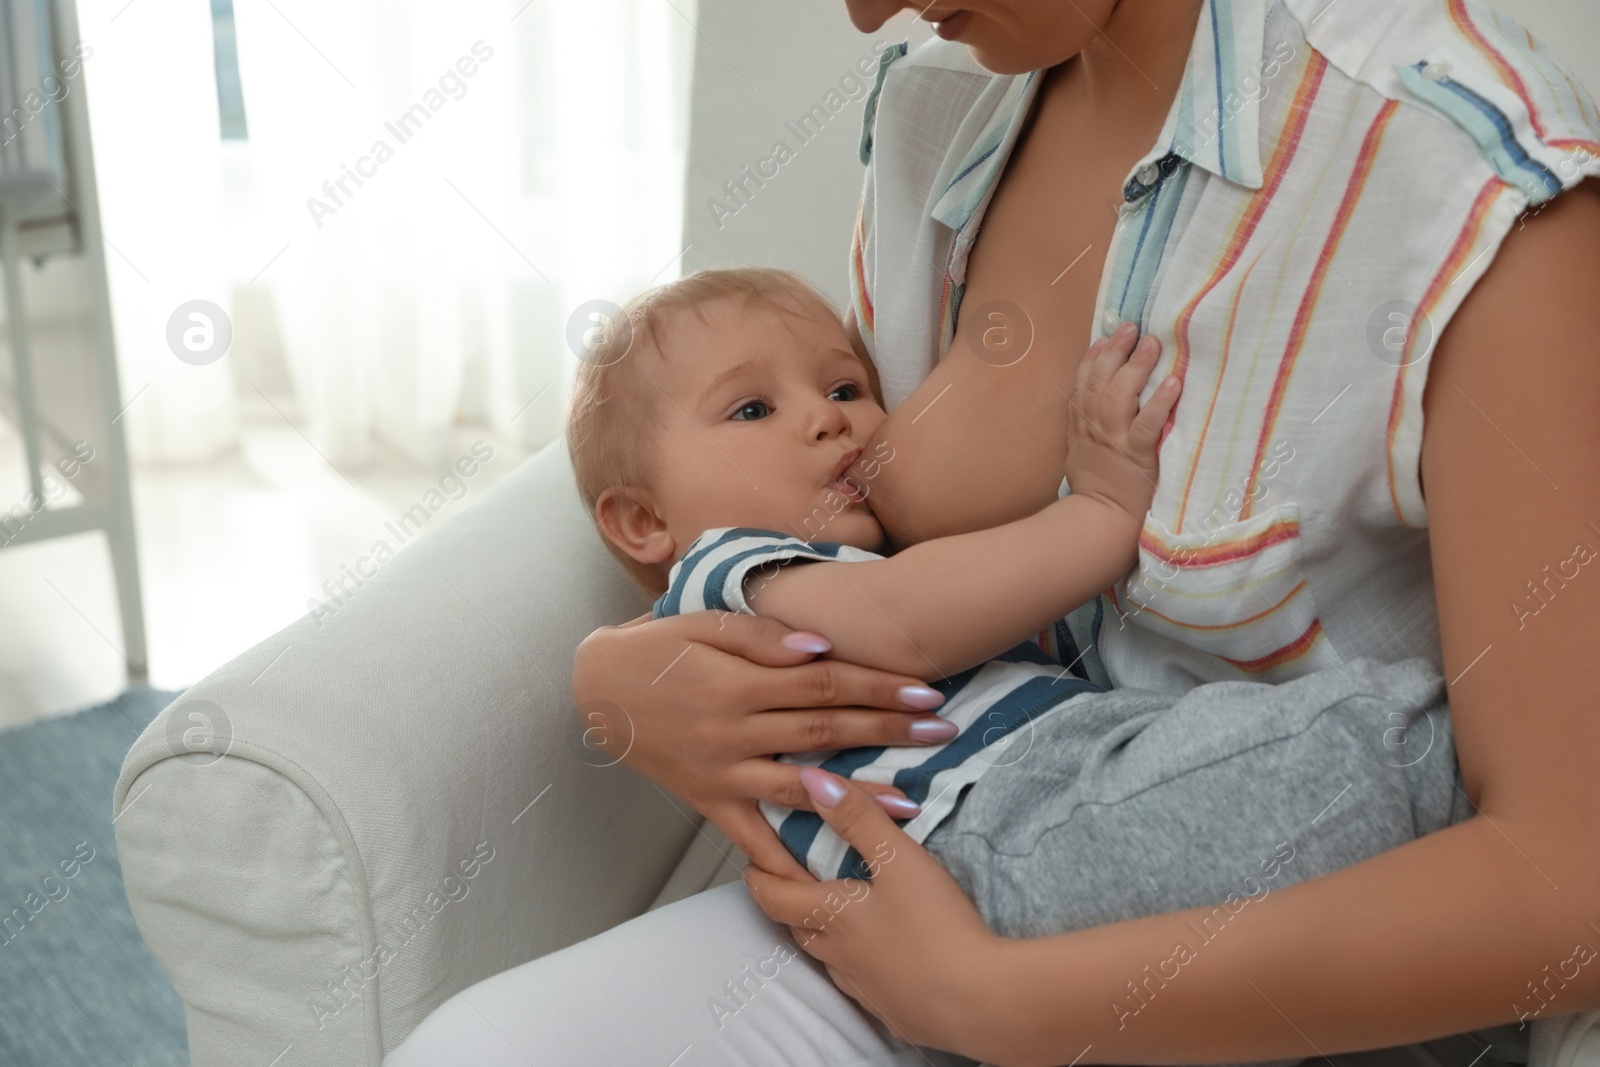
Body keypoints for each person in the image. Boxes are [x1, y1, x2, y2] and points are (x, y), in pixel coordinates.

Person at [387, 0, 1600, 1064]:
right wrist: (621, 676)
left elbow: (1570, 883)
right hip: (949, 863)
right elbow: (846, 567)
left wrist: (996, 1002)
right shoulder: (941, 103)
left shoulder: (1457, 170)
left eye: (834, 394)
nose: (867, 13)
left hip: (1263, 979)